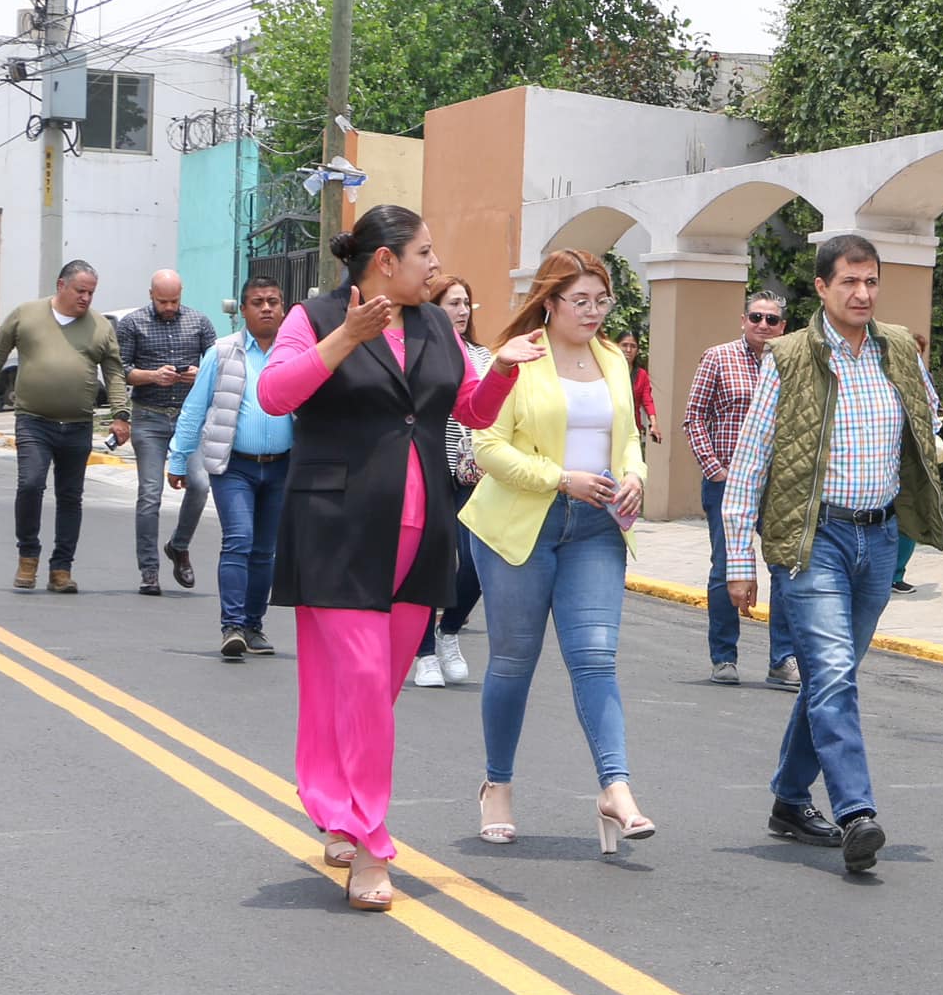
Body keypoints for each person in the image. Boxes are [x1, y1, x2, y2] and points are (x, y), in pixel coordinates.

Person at [257, 205, 541, 910]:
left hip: (422, 528)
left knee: (370, 688)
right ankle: (371, 845)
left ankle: (331, 801)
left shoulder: (437, 324)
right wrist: (343, 341)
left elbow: (465, 413)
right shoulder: (316, 315)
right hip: (338, 524)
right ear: (384, 260)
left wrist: (500, 370)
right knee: (354, 678)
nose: (434, 266)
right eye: (423, 254)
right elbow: (273, 395)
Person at [724, 234, 943, 874]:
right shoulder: (788, 358)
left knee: (827, 677)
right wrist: (739, 559)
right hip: (812, 540)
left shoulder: (897, 347)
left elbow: (927, 415)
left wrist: (928, 443)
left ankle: (790, 801)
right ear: (822, 288)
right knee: (835, 673)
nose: (863, 293)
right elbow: (750, 461)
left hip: (877, 541)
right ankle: (857, 813)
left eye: (871, 281)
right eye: (849, 281)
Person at [461, 250, 655, 855]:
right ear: (550, 302)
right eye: (582, 301)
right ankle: (497, 785)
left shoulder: (613, 361)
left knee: (596, 657)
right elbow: (486, 447)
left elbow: (626, 441)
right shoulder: (519, 358)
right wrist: (559, 478)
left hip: (598, 527)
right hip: (521, 525)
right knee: (514, 662)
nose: (594, 312)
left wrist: (635, 477)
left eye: (603, 300)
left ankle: (616, 789)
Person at [0, 261, 131, 594]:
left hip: (78, 424)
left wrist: (121, 414)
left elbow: (114, 373)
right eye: (80, 291)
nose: (85, 298)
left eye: (91, 293)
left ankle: (61, 568)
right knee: (30, 484)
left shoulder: (100, 327)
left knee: (70, 497)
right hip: (33, 420)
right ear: (61, 285)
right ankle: (28, 556)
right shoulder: (26, 315)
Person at [166, 275, 293, 660]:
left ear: (283, 308)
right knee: (239, 539)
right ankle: (232, 626)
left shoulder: (297, 354)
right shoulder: (222, 353)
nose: (267, 307)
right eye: (258, 302)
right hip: (233, 465)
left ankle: (254, 626)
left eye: (273, 300)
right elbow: (194, 410)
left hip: (282, 467)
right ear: (243, 311)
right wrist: (177, 457)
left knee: (265, 550)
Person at [682, 288, 798, 688]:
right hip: (727, 483)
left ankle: (782, 659)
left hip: (777, 485)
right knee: (727, 566)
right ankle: (724, 657)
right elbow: (694, 417)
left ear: (783, 326)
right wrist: (716, 469)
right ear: (743, 320)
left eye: (772, 320)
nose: (763, 325)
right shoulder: (718, 357)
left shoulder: (791, 363)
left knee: (785, 567)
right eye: (756, 317)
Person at [412, 275, 491, 688]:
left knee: (476, 561)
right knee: (434, 563)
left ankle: (449, 632)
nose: (461, 312)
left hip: (475, 474)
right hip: (430, 469)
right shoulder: (421, 353)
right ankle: (424, 652)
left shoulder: (484, 356)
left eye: (466, 303)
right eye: (452, 304)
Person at [118, 270, 218, 595]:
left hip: (190, 420)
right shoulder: (132, 324)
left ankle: (179, 545)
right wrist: (151, 376)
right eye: (163, 301)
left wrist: (197, 376)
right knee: (150, 493)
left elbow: (219, 365)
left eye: (174, 300)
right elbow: (121, 370)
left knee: (201, 485)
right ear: (151, 295)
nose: (170, 307)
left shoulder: (200, 322)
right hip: (149, 419)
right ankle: (149, 571)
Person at [890, 330, 943, 595]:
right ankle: (886, 574)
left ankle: (896, 574)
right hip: (888, 454)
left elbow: (932, 412)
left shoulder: (922, 377)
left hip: (911, 456)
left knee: (910, 512)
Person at [616, 330, 661, 443]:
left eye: (633, 346)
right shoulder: (608, 371)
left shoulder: (641, 375)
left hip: (632, 429)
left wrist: (653, 423)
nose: (628, 350)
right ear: (616, 346)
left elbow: (647, 401)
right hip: (610, 427)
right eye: (624, 345)